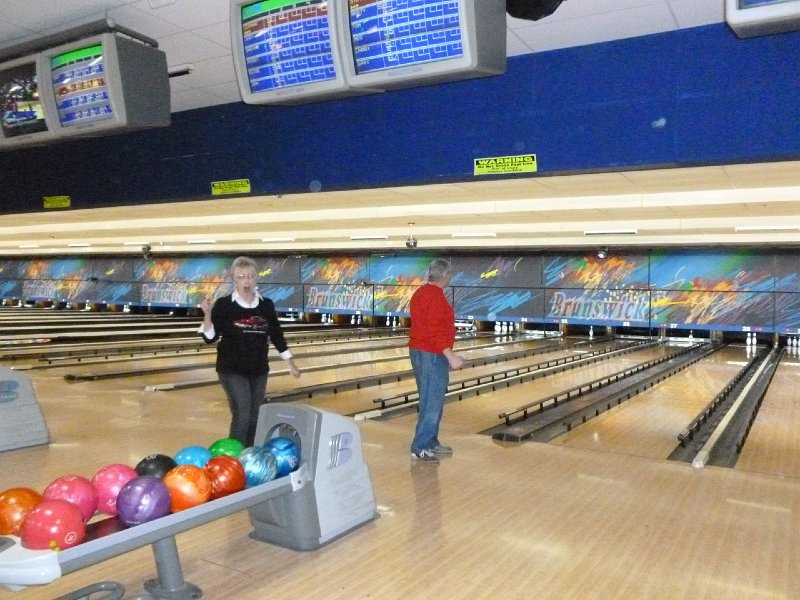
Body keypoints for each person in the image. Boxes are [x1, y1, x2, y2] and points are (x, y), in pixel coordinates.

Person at [199, 256, 300, 446]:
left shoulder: (266, 305)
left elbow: (276, 334)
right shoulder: (224, 304)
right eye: (241, 276)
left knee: (256, 415)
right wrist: (207, 314)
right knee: (243, 414)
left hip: (259, 369)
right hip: (231, 369)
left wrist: (290, 363)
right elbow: (209, 337)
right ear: (234, 279)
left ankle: (250, 454)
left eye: (251, 276)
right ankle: (235, 460)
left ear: (256, 278)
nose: (247, 280)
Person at [408, 258, 465, 463]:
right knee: (432, 401)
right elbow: (434, 331)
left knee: (431, 399)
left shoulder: (421, 293)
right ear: (446, 275)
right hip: (431, 354)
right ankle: (421, 447)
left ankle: (430, 441)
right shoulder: (434, 297)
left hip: (423, 352)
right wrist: (450, 355)